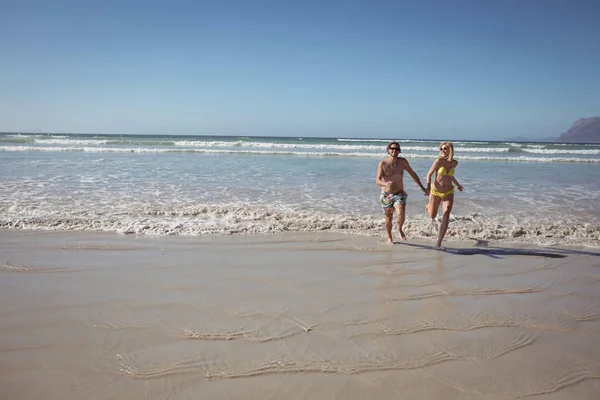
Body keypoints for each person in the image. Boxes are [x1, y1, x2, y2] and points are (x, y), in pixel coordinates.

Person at [376, 141, 428, 244]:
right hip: (386, 196)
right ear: (388, 150)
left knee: (401, 212)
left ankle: (399, 229)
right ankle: (389, 237)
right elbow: (377, 180)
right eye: (392, 148)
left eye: (397, 149)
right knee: (389, 217)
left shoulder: (403, 162)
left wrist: (422, 187)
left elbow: (413, 174)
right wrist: (385, 184)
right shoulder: (383, 164)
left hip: (399, 193)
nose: (394, 150)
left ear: (399, 151)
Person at [425, 141, 464, 250]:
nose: (442, 151)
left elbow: (449, 176)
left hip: (448, 192)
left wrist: (458, 185)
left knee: (446, 214)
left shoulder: (454, 163)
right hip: (435, 192)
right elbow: (429, 175)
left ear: (450, 150)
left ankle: (439, 243)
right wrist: (428, 187)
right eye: (441, 149)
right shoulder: (438, 161)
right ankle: (429, 206)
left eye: (445, 149)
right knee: (432, 215)